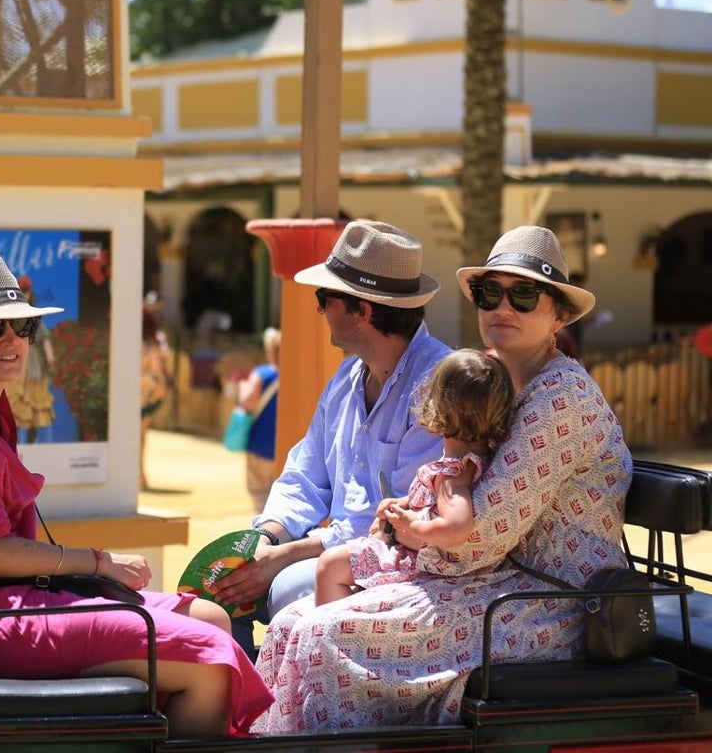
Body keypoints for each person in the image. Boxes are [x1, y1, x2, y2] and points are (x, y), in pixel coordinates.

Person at [252, 225, 629, 732]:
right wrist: (396, 533)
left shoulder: (560, 397)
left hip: (552, 602)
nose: (503, 308)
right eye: (489, 292)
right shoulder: (491, 379)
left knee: (323, 632)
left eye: (524, 295)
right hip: (488, 581)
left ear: (559, 314)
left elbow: (480, 535)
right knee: (289, 625)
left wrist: (400, 536)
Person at [0, 254, 272, 739]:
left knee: (213, 618)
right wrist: (98, 562)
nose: (12, 340)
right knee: (212, 662)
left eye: (22, 326)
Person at [209, 220, 452, 659]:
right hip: (343, 557)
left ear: (362, 310)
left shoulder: (440, 385)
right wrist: (267, 537)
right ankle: (241, 719)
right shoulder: (347, 376)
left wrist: (283, 558)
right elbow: (305, 474)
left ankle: (266, 716)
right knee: (220, 585)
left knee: (283, 590)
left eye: (325, 299)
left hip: (401, 570)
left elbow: (395, 518)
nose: (319, 311)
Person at [314, 349, 513, 604]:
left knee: (330, 565)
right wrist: (406, 503)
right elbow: (437, 503)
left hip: (414, 565)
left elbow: (456, 526)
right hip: (417, 559)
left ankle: (327, 631)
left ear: (441, 407)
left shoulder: (452, 474)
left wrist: (411, 524)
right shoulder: (473, 461)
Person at [6, 274, 56, 443]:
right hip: (14, 362)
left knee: (32, 401)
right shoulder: (9, 320)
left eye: (26, 292)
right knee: (15, 403)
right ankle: (14, 440)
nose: (24, 296)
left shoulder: (35, 319)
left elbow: (44, 338)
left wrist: (50, 357)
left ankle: (31, 441)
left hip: (32, 363)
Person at [236, 327, 280, 512]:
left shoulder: (262, 374)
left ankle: (265, 537)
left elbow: (247, 403)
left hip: (260, 445)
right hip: (288, 448)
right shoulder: (300, 376)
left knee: (260, 496)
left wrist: (241, 387)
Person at [139, 303, 171, 490]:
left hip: (135, 390)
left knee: (136, 435)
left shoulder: (133, 338)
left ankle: (137, 475)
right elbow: (162, 369)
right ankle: (140, 475)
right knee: (142, 434)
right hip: (151, 391)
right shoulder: (157, 341)